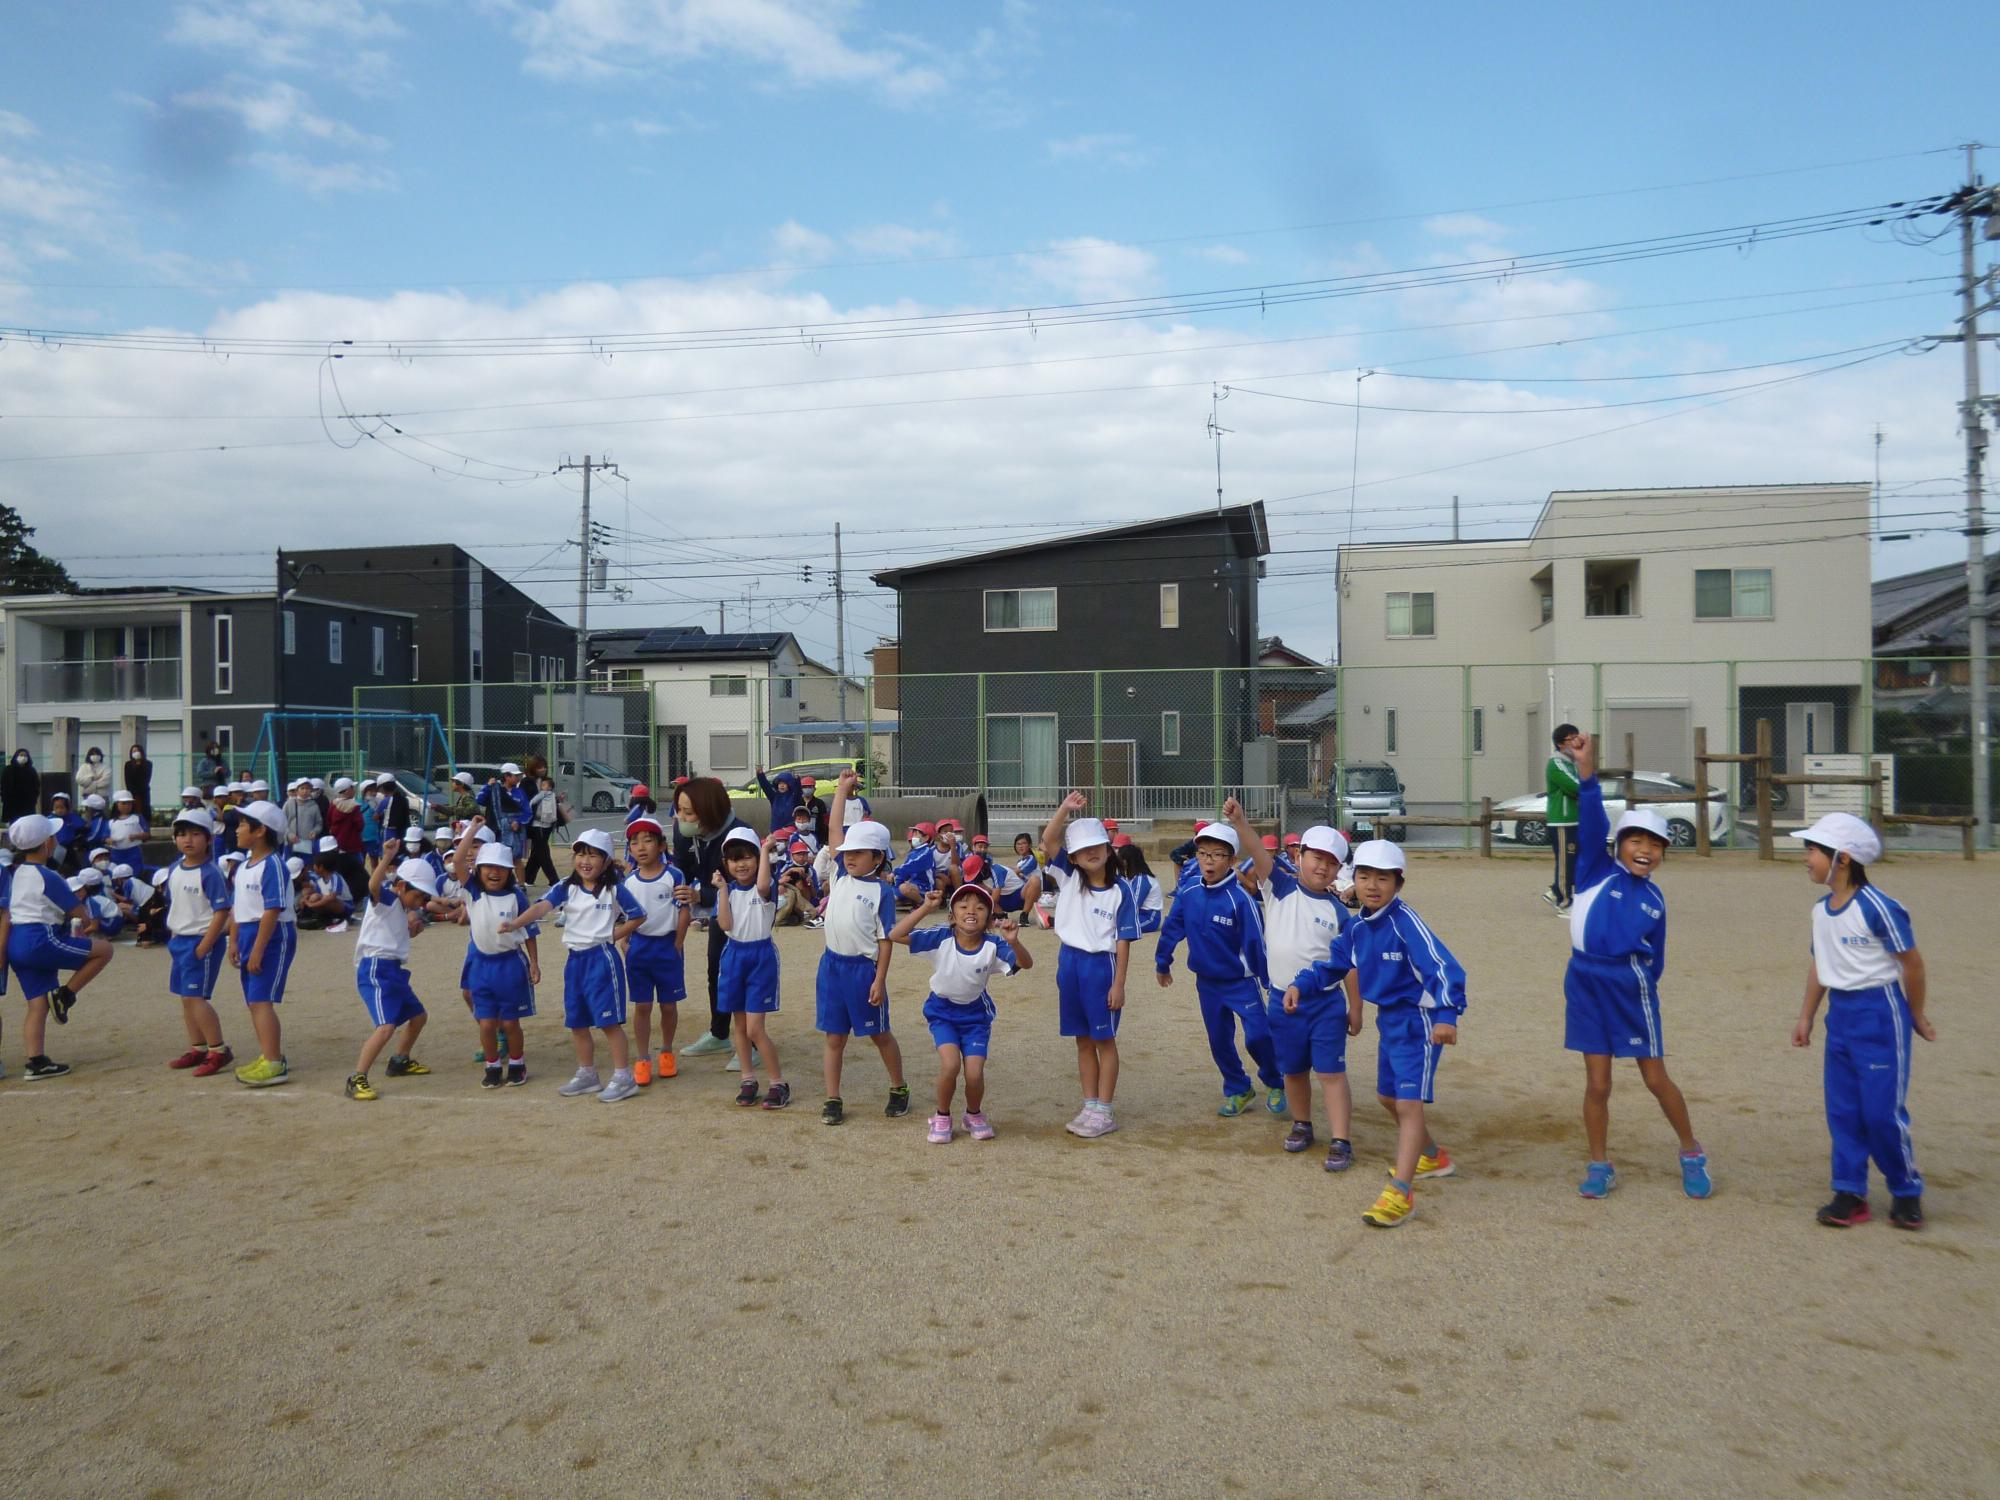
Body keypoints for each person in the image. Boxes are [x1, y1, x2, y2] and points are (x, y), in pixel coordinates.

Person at [1284, 840, 1464, 1230]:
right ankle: (1432, 1156)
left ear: (1398, 884)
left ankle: (1401, 1193)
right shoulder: (1358, 927)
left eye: (1383, 878)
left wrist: (1448, 1015)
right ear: (1353, 881)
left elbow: (1443, 967)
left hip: (1421, 1022)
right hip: (1391, 1022)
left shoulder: (1406, 923)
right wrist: (1302, 983)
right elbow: (1332, 966)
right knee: (1387, 1097)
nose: (1372, 885)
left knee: (1408, 1104)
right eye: (1364, 876)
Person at [1562, 735, 1711, 1202]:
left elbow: (1658, 956)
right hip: (1585, 981)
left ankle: (1691, 1152)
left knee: (1654, 1078)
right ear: (1619, 845)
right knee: (1598, 1083)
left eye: (1655, 844)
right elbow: (1589, 822)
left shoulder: (1655, 899)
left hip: (1631, 987)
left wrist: (1640, 984)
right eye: (1636, 840)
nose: (1645, 849)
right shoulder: (1593, 871)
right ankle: (1599, 1164)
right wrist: (1587, 772)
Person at [1789, 813, 1931, 1230]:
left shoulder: (1879, 908)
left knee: (1881, 1112)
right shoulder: (1821, 911)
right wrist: (1807, 1016)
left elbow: (1913, 965)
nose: (1806, 858)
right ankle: (1850, 1192)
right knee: (1844, 1110)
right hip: (1843, 1018)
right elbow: (1821, 964)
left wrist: (1915, 1014)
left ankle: (1906, 1191)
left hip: (1881, 1014)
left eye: (1812, 851)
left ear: (1843, 859)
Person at [1225, 800, 1362, 1169]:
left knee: (1331, 1073)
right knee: (1294, 1070)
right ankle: (1302, 1124)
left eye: (1331, 862)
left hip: (1324, 1004)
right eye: (1316, 857)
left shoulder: (1337, 911)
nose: (1323, 866)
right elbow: (1255, 850)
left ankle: (1341, 1139)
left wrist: (1356, 1008)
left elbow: (1348, 965)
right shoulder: (1279, 887)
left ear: (1338, 871)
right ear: (1298, 856)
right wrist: (1240, 822)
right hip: (1280, 1001)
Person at [1155, 819, 1286, 1119]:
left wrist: (1268, 980)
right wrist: (1163, 962)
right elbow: (1172, 928)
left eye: (1217, 855)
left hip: (1241, 983)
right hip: (1207, 984)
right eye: (1203, 854)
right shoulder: (1188, 891)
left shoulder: (1241, 899)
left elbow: (1256, 944)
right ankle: (1238, 1087)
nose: (1209, 861)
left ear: (1232, 860)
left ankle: (1276, 1081)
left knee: (1258, 1036)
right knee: (1219, 1040)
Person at [504, 829, 643, 1103]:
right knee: (577, 1022)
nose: (585, 861)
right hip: (575, 960)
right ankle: (587, 1074)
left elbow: (638, 916)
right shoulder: (566, 887)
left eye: (593, 855)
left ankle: (623, 1077)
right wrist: (516, 923)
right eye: (581, 854)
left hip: (602, 960)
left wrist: (614, 935)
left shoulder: (615, 889)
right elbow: (542, 907)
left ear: (605, 861)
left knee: (609, 1022)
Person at [890, 881, 1030, 1144]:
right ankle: (942, 1116)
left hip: (976, 1016)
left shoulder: (993, 945)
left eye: (980, 907)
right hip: (942, 1012)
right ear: (952, 916)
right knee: (951, 1064)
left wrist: (1014, 941)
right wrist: (925, 907)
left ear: (989, 918)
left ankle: (973, 1114)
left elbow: (1025, 964)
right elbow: (896, 934)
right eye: (963, 905)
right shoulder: (941, 937)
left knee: (975, 1072)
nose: (971, 911)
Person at [1040, 793, 1138, 1139]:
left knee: (1104, 1039)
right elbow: (1048, 840)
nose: (1090, 853)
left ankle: (1105, 1109)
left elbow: (1124, 941)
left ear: (1109, 848)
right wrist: (1064, 809)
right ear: (1074, 857)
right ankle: (1090, 1103)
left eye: (1097, 845)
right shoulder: (1069, 876)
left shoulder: (1121, 891)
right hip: (1069, 962)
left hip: (1102, 966)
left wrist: (1119, 984)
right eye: (1082, 850)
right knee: (1082, 1039)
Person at [815, 771, 909, 1126]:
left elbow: (886, 939)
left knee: (879, 1034)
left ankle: (899, 1087)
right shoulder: (839, 874)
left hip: (862, 971)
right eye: (847, 852)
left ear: (879, 858)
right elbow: (834, 831)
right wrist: (841, 790)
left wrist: (880, 979)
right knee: (834, 1036)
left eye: (859, 853)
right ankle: (832, 1097)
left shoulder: (882, 893)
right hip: (831, 967)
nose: (849, 856)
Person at [2, 814, 113, 1077]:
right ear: (46, 844)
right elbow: (79, 914)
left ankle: (36, 1061)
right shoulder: (48, 875)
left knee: (37, 1004)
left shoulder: (14, 873)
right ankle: (66, 995)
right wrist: (85, 924)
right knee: (104, 951)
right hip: (40, 937)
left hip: (17, 942)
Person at [668, 777, 754, 1059]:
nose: (681, 817)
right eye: (679, 809)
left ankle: (752, 1042)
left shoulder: (739, 834)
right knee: (716, 970)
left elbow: (743, 885)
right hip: (718, 912)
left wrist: (701, 896)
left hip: (746, 915)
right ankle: (720, 1034)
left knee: (743, 976)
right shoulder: (684, 832)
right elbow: (680, 870)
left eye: (688, 812)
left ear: (710, 810)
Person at [343, 843, 437, 1101]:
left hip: (393, 969)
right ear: (402, 886)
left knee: (418, 1016)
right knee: (386, 1027)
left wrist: (411, 930)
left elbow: (394, 934)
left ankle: (400, 1060)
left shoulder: (400, 908)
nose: (420, 903)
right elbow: (373, 886)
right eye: (418, 896)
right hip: (376, 968)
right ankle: (357, 1077)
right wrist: (387, 857)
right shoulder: (387, 898)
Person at [451, 832, 540, 1090]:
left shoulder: (516, 897)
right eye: (488, 866)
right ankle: (492, 1065)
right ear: (478, 869)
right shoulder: (473, 893)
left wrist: (534, 963)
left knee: (511, 1022)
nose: (494, 872)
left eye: (501, 868)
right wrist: (472, 830)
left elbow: (530, 932)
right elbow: (458, 862)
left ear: (510, 872)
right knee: (488, 1022)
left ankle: (517, 1063)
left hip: (510, 965)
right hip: (481, 966)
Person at [713, 827, 788, 1109]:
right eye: (733, 859)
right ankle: (747, 1078)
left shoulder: (764, 887)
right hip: (733, 956)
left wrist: (767, 851)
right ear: (726, 864)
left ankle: (778, 1082)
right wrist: (721, 890)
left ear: (757, 859)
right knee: (740, 1025)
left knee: (756, 1029)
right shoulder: (729, 890)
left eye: (747, 857)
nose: (740, 864)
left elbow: (763, 886)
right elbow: (725, 925)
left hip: (760, 957)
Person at [228, 799, 298, 1088]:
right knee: (254, 1000)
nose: (237, 829)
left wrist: (257, 948)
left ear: (260, 831)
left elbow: (272, 910)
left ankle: (273, 1061)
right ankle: (269, 1055)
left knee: (260, 1000)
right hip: (248, 933)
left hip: (271, 935)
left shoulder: (273, 865)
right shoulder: (244, 866)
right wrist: (234, 941)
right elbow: (237, 908)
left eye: (243, 824)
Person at [160, 808, 233, 1076]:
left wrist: (205, 945)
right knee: (186, 998)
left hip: (201, 942)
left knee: (196, 998)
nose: (187, 840)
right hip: (179, 940)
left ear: (209, 839)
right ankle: (198, 1047)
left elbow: (222, 911)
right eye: (181, 834)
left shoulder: (211, 872)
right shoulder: (174, 869)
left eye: (194, 834)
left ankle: (218, 1050)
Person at [620, 815, 689, 1087]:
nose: (641, 847)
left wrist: (679, 942)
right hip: (639, 947)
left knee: (669, 1005)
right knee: (642, 1005)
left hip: (667, 946)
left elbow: (684, 910)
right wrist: (624, 940)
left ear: (661, 845)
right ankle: (642, 1057)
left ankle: (668, 1051)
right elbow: (623, 915)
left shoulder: (673, 875)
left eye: (648, 841)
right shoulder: (628, 882)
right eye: (634, 842)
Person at [1543, 723, 1585, 912]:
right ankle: (1565, 902)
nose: (1577, 741)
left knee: (1574, 860)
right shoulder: (1556, 763)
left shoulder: (1571, 763)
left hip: (1573, 820)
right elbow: (1576, 787)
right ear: (1560, 744)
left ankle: (1555, 891)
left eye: (1578, 737)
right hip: (1562, 820)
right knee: (1565, 862)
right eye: (1572, 738)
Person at [300, 838, 355, 931]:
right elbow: (316, 895)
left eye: (315, 865)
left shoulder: (335, 877)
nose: (313, 867)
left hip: (345, 906)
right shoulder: (319, 880)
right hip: (329, 905)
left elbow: (332, 897)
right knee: (314, 896)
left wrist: (311, 905)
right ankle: (323, 918)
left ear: (321, 867)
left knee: (328, 899)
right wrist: (305, 898)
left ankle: (341, 918)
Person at [523, 774, 564, 889]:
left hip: (542, 826)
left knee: (537, 852)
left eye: (545, 785)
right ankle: (553, 879)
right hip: (542, 826)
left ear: (550, 787)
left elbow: (532, 803)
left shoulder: (547, 795)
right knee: (542, 852)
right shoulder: (548, 795)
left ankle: (528, 878)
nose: (542, 786)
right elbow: (532, 802)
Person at [1114, 837, 1163, 934]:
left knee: (1119, 928)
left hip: (1148, 917)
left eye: (1121, 859)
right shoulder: (1131, 876)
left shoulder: (1142, 879)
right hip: (1137, 914)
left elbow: (1133, 904)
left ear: (1128, 861)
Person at [772, 838, 823, 926]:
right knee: (787, 892)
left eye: (804, 854)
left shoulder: (811, 870)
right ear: (792, 855)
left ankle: (797, 914)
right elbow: (777, 881)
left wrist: (809, 883)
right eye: (799, 854)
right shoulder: (785, 865)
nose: (802, 857)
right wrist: (790, 871)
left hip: (805, 899)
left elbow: (815, 894)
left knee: (800, 886)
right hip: (786, 896)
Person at [755, 766, 803, 834]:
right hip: (775, 832)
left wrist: (797, 781)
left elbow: (798, 793)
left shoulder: (793, 798)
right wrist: (760, 775)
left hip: (790, 831)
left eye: (784, 783)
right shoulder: (774, 797)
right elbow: (766, 787)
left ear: (789, 785)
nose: (781, 785)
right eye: (780, 783)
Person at [281, 779, 324, 855]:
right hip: (291, 843)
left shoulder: (314, 805)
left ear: (311, 790)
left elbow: (319, 823)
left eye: (307, 788)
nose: (305, 791)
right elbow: (282, 822)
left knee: (307, 865)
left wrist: (315, 831)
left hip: (307, 845)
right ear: (297, 791)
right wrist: (289, 834)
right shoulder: (289, 804)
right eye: (302, 788)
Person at [2, 749, 41, 824]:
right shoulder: (8, 770)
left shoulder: (31, 770)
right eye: (21, 755)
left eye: (25, 755)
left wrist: (33, 799)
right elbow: (4, 786)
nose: (23, 757)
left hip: (28, 805)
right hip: (12, 805)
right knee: (14, 826)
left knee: (27, 826)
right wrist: (5, 799)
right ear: (16, 756)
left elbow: (36, 786)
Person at [124, 744, 154, 823]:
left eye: (137, 751)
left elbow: (147, 778)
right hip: (132, 792)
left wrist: (139, 765)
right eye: (133, 751)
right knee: (134, 811)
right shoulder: (128, 764)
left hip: (144, 791)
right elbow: (127, 779)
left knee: (144, 811)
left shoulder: (148, 764)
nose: (136, 753)